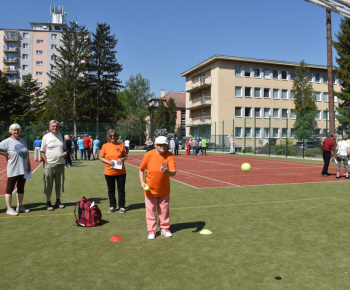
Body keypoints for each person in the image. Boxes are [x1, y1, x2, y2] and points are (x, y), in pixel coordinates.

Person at [139, 136, 177, 240]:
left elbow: (173, 173)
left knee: (164, 210)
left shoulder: (169, 155)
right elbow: (141, 169)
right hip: (150, 189)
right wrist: (142, 183)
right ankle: (151, 230)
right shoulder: (148, 155)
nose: (162, 147)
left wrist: (167, 172)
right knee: (150, 210)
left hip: (164, 189)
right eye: (160, 145)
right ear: (155, 145)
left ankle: (164, 228)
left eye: (164, 145)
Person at [0, 123, 31, 215]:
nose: (16, 131)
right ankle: (9, 208)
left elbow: (27, 154)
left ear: (20, 131)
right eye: (14, 130)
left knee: (21, 188)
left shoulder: (23, 140)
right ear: (11, 131)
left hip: (23, 169)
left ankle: (20, 206)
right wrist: (7, 155)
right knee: (9, 188)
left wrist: (28, 166)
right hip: (13, 168)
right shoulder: (7, 141)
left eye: (17, 130)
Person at [100, 130, 128, 214]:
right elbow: (101, 157)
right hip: (109, 172)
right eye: (111, 135)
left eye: (114, 135)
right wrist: (108, 162)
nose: (112, 137)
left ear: (116, 136)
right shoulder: (105, 146)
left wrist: (121, 159)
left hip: (121, 172)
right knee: (111, 190)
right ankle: (112, 206)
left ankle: (122, 206)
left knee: (121, 190)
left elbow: (125, 156)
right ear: (108, 136)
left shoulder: (120, 145)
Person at [40, 120, 66, 211]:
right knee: (48, 184)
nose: (55, 128)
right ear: (49, 127)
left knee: (59, 184)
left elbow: (64, 149)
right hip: (49, 164)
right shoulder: (46, 137)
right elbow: (42, 151)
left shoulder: (62, 136)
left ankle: (58, 201)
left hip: (60, 164)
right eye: (53, 126)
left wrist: (65, 154)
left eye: (56, 126)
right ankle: (48, 202)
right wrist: (46, 162)